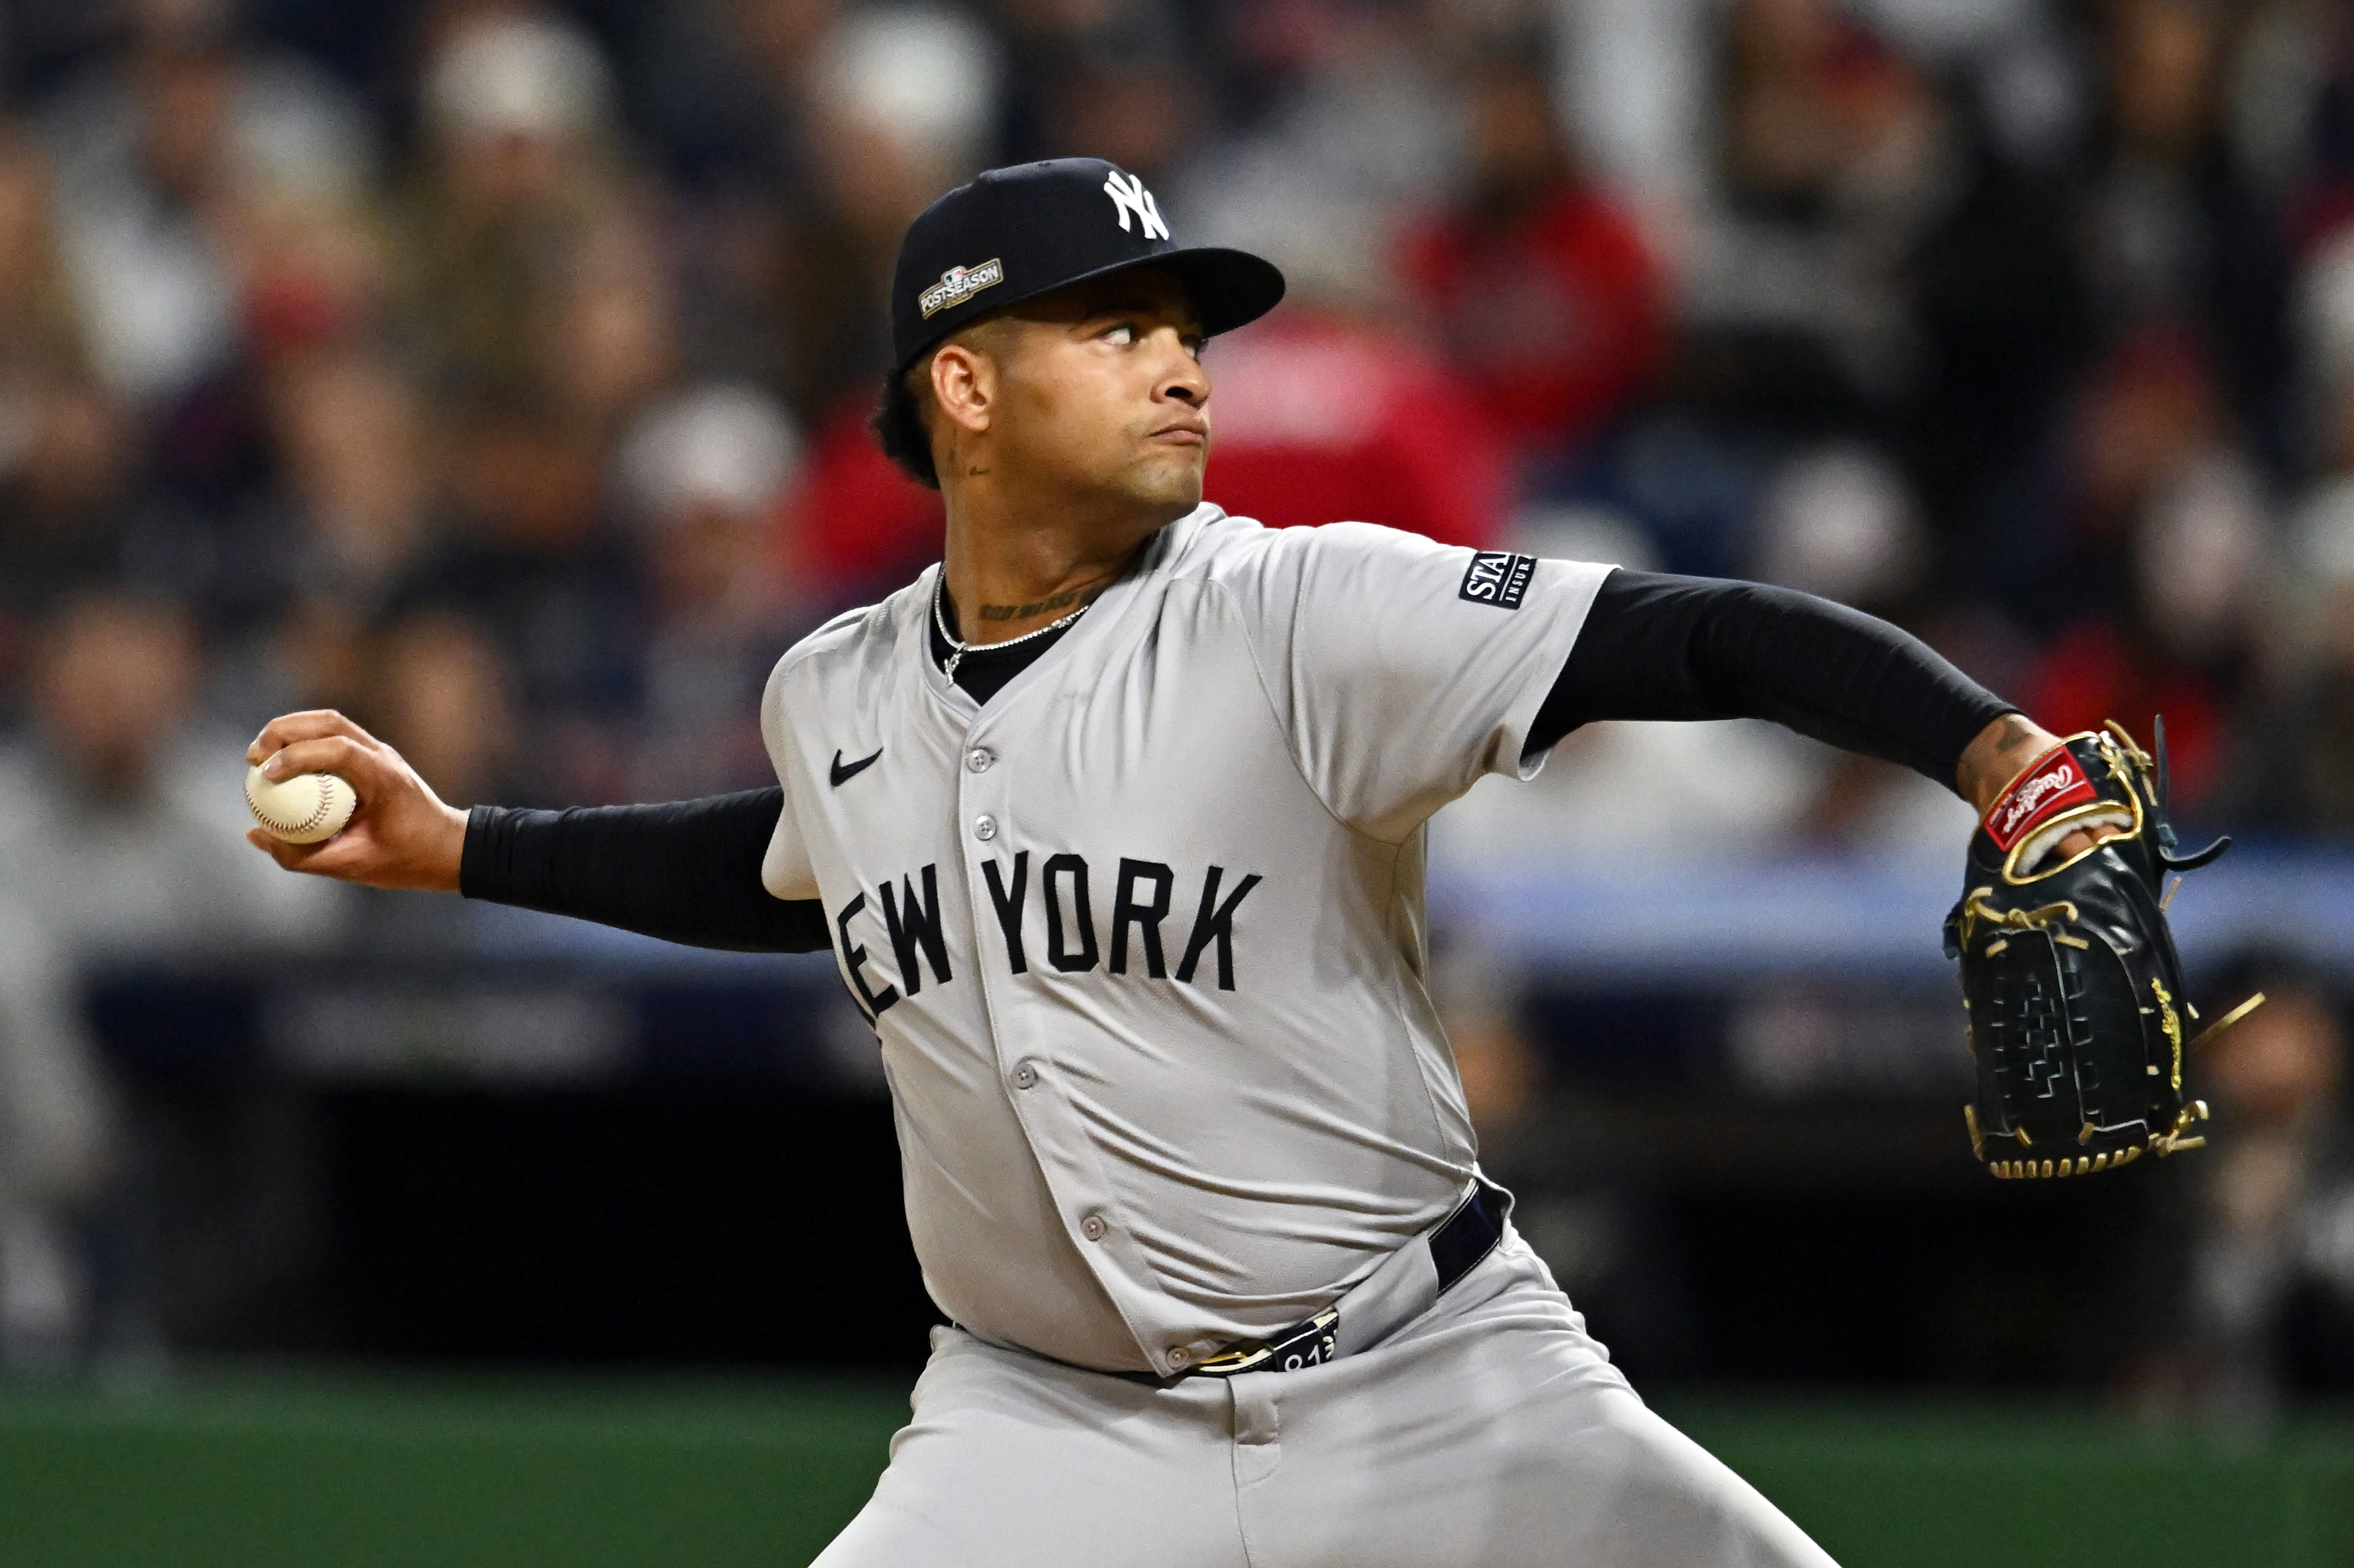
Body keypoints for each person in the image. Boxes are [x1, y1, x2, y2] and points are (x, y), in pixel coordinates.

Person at [245, 158, 2098, 1567]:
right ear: (964, 389)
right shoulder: (838, 686)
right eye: (1119, 329)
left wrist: (1995, 752)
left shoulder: (1303, 612)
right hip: (1034, 1431)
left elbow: (1695, 633)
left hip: (1434, 1378)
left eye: (1188, 334)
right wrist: (464, 850)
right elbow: (798, 869)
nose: (1186, 371)